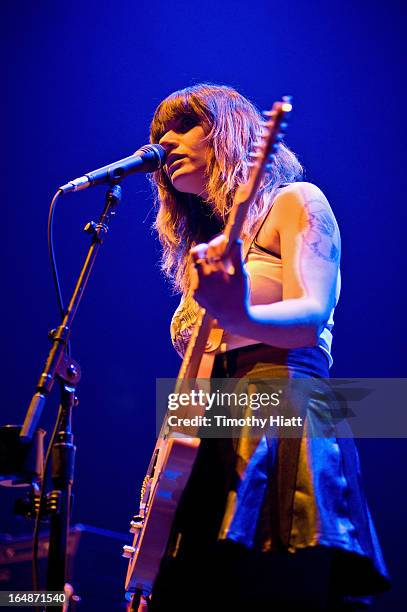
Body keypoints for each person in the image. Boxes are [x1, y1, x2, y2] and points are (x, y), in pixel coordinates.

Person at [145, 83, 390, 611]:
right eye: (161, 133)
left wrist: (240, 314)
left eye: (185, 125)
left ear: (230, 132)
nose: (166, 143)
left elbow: (310, 318)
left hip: (282, 412)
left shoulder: (297, 201)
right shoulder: (206, 253)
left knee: (273, 586)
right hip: (211, 428)